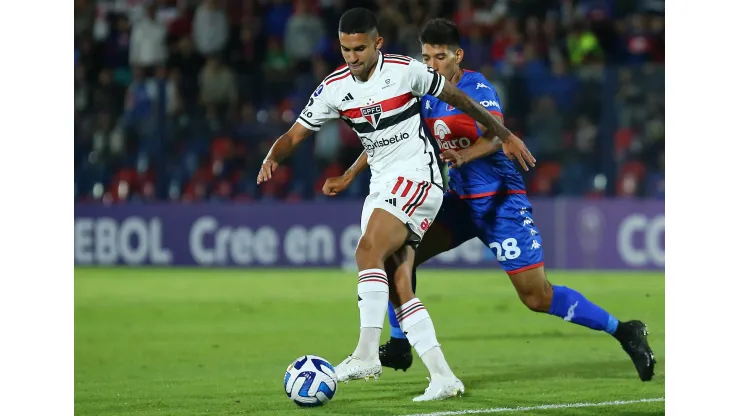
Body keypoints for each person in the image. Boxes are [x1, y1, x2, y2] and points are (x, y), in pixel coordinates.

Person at [322, 18, 655, 383]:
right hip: (459, 202)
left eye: (439, 56)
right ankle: (400, 344)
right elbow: (388, 134)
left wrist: (464, 156)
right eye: (426, 56)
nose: (431, 64)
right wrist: (351, 174)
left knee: (536, 296)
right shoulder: (424, 91)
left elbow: (497, 136)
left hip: (499, 203)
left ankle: (625, 331)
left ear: (457, 56)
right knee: (395, 253)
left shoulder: (476, 88)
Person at [258, 8, 534, 401]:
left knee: (367, 249)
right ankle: (443, 377)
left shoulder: (406, 71)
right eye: (345, 49)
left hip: (419, 176)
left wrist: (502, 133)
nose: (352, 57)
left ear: (377, 43)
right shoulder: (334, 87)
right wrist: (274, 156)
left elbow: (457, 96)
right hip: (383, 183)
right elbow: (294, 134)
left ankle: (366, 353)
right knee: (397, 283)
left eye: (359, 48)